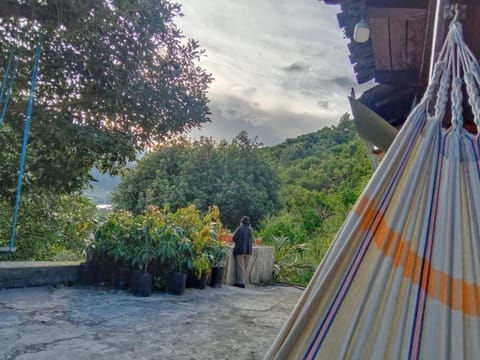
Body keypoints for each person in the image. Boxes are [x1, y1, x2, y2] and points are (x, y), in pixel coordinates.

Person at [232, 215, 253, 288]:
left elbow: (234, 238)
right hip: (249, 251)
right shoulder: (250, 230)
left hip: (240, 250)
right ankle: (243, 281)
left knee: (240, 267)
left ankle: (240, 283)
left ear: (241, 222)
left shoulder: (239, 229)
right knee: (245, 267)